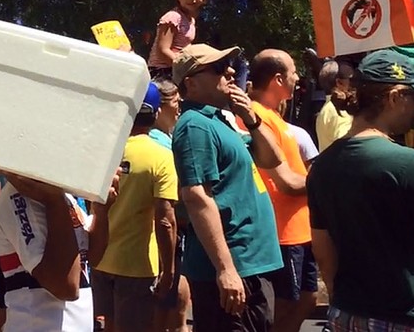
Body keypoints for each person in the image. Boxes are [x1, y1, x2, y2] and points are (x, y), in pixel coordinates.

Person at [171, 44, 284, 332]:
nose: (231, 71)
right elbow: (197, 197)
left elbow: (273, 158)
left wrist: (251, 118)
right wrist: (226, 270)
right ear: (191, 83)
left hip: (249, 265)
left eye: (229, 64)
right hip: (234, 269)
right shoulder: (195, 125)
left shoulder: (218, 120)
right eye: (220, 68)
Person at [307, 49, 414, 330]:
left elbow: (324, 253)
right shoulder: (411, 165)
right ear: (395, 97)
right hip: (405, 316)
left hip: (346, 314)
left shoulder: (321, 167)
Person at [92, 83, 179, 332]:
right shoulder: (161, 157)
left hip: (100, 260)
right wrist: (169, 269)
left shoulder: (105, 152)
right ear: (155, 113)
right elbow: (165, 220)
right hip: (138, 267)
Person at [0, 170, 115, 330]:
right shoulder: (20, 195)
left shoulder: (60, 193)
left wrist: (101, 210)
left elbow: (89, 259)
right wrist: (55, 202)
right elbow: (65, 287)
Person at [246, 50, 317, 332]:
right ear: (278, 79)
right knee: (283, 308)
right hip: (282, 233)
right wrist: (328, 178)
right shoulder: (256, 117)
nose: (297, 77)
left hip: (301, 231)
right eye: (293, 71)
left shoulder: (274, 118)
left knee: (307, 299)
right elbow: (286, 182)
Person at [149, 79, 191, 332]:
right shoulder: (161, 144)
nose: (179, 109)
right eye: (176, 103)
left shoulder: (165, 138)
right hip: (163, 235)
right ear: (158, 109)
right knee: (165, 312)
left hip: (172, 233)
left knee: (176, 307)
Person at [148, 0, 207, 79]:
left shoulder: (190, 20)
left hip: (176, 68)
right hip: (162, 71)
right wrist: (184, 70)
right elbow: (162, 50)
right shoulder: (173, 17)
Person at [314, 60, 355, 152]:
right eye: (350, 80)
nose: (354, 84)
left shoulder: (326, 109)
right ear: (339, 83)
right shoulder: (339, 111)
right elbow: (347, 144)